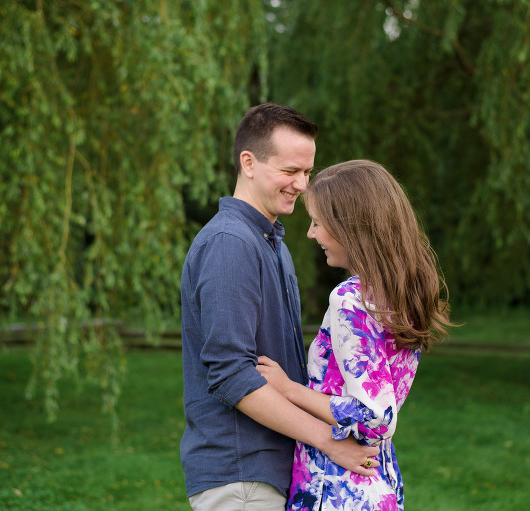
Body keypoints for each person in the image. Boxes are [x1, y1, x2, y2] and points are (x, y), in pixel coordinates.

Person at [181, 106, 381, 511]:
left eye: (307, 172)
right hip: (241, 476)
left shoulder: (273, 245)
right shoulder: (229, 243)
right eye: (291, 171)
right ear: (249, 163)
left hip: (270, 472)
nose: (302, 185)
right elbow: (231, 375)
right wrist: (328, 440)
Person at [256, 159, 454, 511]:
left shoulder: (351, 300)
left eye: (318, 223)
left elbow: (377, 416)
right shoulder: (399, 294)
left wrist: (289, 390)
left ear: (350, 227)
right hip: (376, 482)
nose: (311, 234)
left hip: (338, 488)